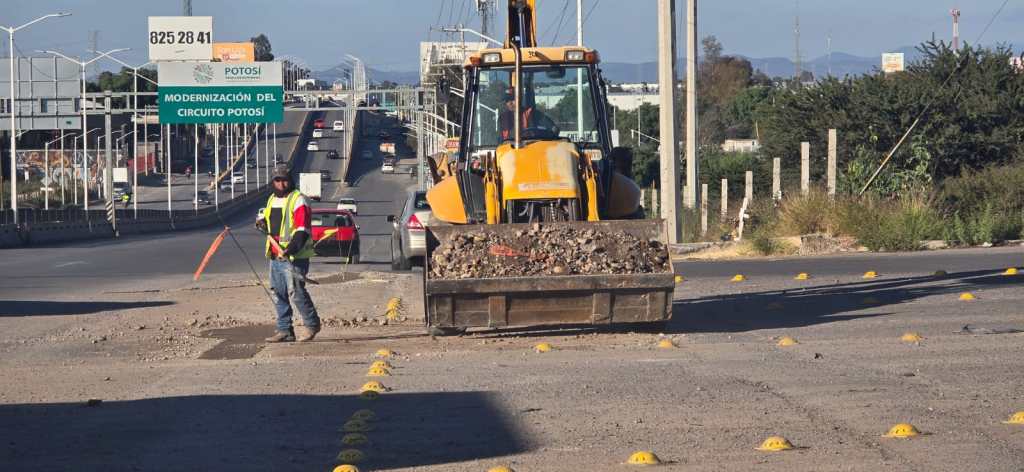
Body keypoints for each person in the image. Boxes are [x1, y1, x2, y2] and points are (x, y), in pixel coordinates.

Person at [255, 164, 321, 343]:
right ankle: (285, 330)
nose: (281, 184)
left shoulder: (299, 200)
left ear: (290, 180)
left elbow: (302, 229)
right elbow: (271, 222)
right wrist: (262, 223)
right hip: (275, 254)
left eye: (285, 180)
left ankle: (312, 324)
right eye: (278, 180)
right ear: (273, 182)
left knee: (296, 292)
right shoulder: (271, 199)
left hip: (294, 256)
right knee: (278, 292)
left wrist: (291, 248)